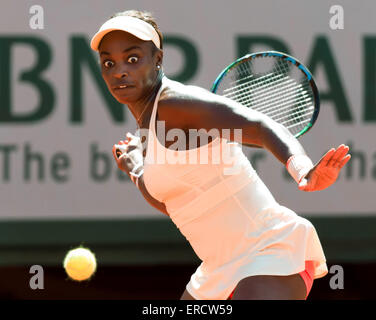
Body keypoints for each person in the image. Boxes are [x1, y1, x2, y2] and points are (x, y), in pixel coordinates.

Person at [90, 10, 351, 300]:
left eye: (133, 58)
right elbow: (179, 204)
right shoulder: (147, 127)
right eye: (108, 63)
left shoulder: (176, 103)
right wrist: (136, 169)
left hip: (267, 252)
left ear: (158, 59)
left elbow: (259, 125)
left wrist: (302, 169)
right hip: (216, 272)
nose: (119, 71)